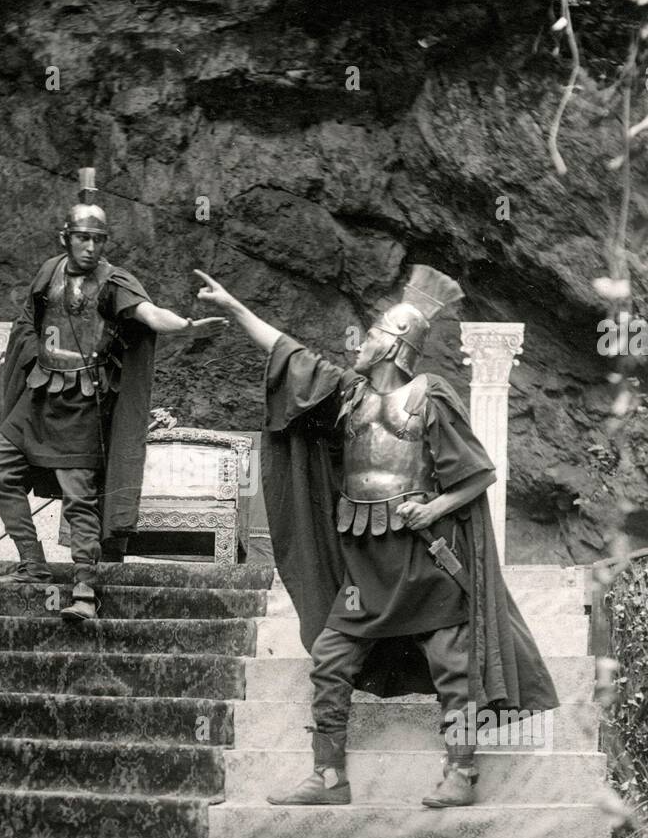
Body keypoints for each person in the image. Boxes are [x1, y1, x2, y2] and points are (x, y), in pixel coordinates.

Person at [195, 264, 559, 808]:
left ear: (393, 344)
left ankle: (461, 774)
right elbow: (291, 355)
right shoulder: (347, 396)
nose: (358, 344)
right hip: (364, 560)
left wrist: (433, 505)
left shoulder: (429, 396)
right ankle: (329, 777)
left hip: (425, 560)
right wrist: (235, 307)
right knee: (330, 659)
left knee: (454, 670)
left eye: (370, 335)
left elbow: (479, 472)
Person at [0, 170, 226, 620]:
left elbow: (149, 314)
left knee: (79, 499)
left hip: (81, 406)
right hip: (39, 400)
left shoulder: (114, 283)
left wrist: (185, 326)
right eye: (83, 238)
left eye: (99, 239)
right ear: (66, 237)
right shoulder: (48, 272)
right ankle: (32, 564)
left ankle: (84, 590)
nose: (91, 247)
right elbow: (26, 321)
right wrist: (37, 356)